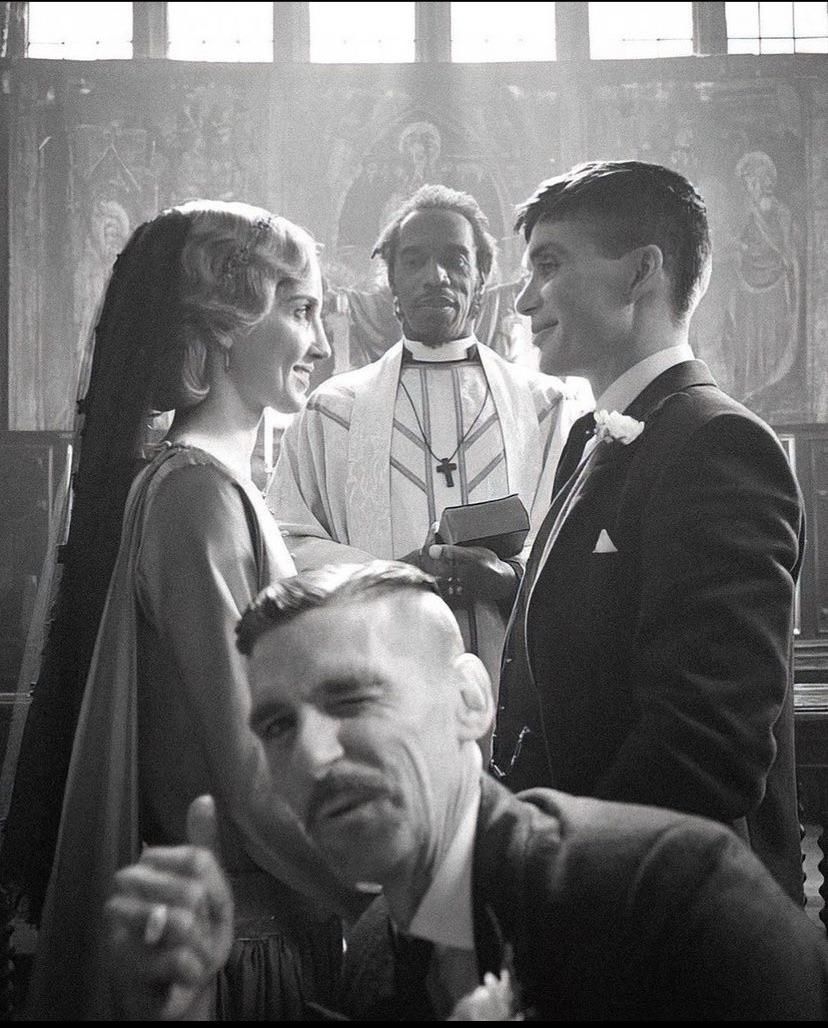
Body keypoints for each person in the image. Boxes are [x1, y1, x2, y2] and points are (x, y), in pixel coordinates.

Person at [103, 561, 828, 1021]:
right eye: (278, 727)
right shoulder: (376, 961)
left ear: (470, 702)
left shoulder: (668, 895)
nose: (315, 756)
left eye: (352, 701)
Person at [12, 200, 363, 1020]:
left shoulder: (215, 484)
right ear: (226, 322)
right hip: (238, 949)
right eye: (301, 309)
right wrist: (394, 893)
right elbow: (246, 775)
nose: (320, 341)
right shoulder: (196, 493)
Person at [491, 160, 806, 903]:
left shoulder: (716, 444)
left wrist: (538, 866)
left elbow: (706, 747)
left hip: (678, 923)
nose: (525, 298)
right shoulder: (590, 438)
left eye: (549, 264)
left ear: (641, 275)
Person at [270, 184, 585, 746]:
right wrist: (389, 574)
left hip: (512, 664)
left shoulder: (546, 407)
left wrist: (509, 577)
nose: (434, 276)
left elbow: (575, 536)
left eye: (454, 259)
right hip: (379, 660)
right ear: (391, 284)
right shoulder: (333, 411)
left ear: (482, 276)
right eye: (414, 261)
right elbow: (288, 536)